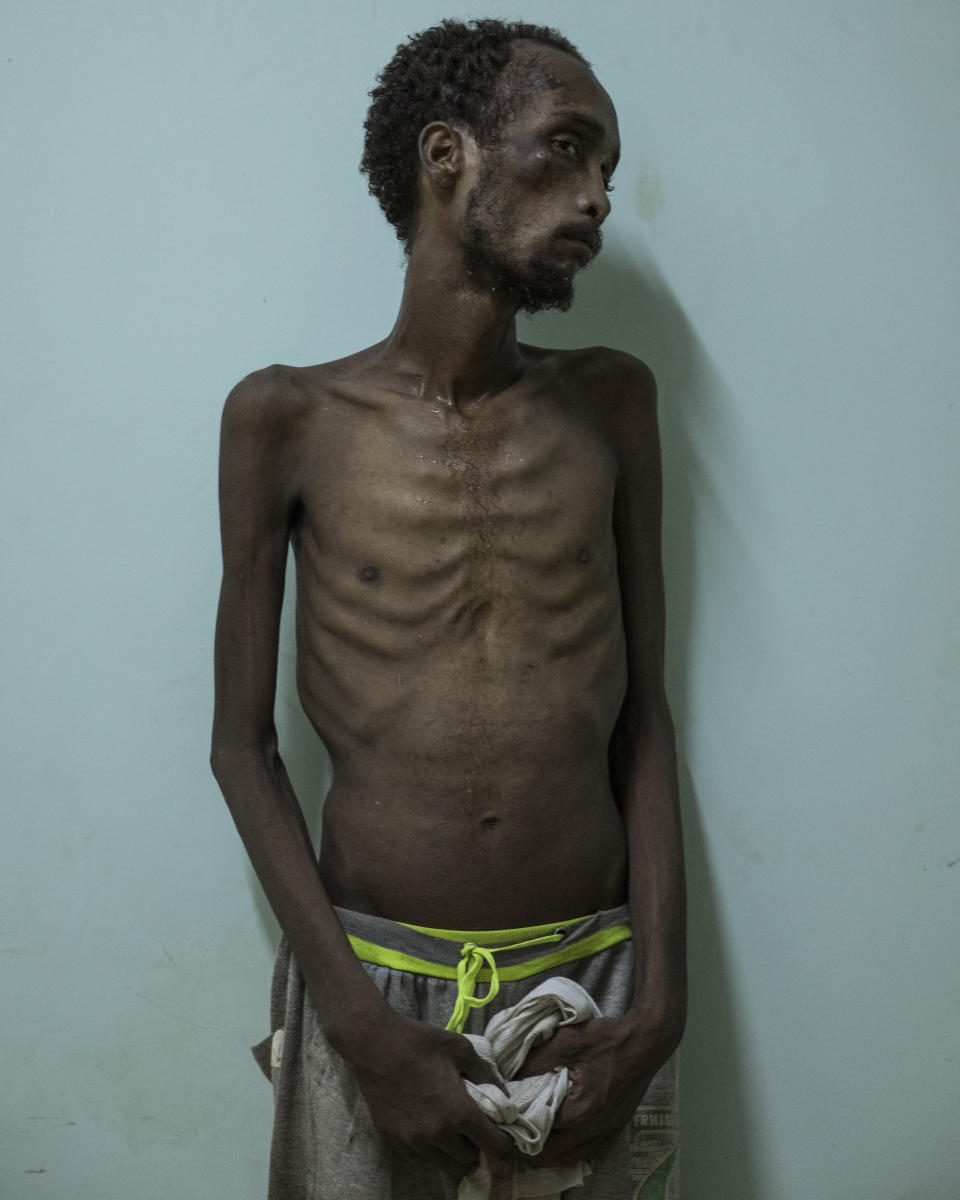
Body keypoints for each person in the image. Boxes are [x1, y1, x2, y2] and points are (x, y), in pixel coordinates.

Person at [211, 17, 685, 1200]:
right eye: (566, 151)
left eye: (608, 173)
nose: (597, 202)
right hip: (369, 983)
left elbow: (646, 721)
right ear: (447, 156)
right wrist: (361, 1029)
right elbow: (241, 746)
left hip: (592, 994)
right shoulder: (286, 420)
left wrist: (663, 1010)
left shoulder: (613, 404)